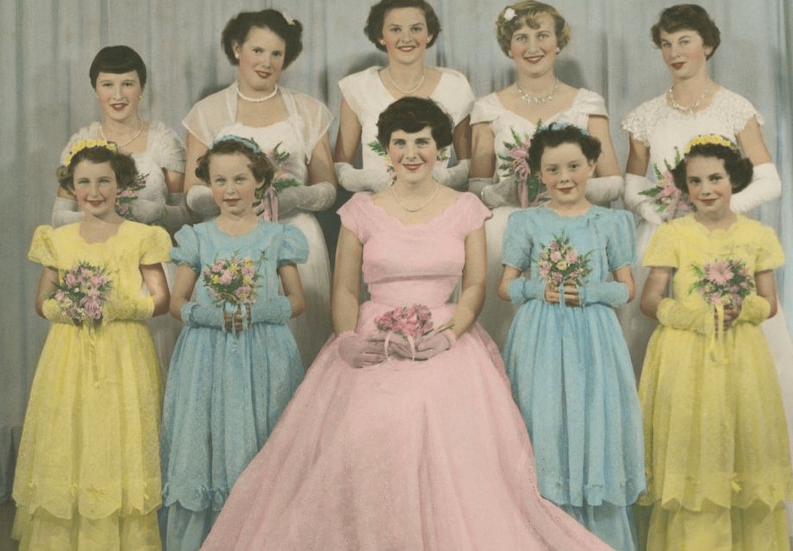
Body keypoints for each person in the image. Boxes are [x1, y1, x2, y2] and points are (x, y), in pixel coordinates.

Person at [199, 97, 614, 550]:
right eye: (400, 142)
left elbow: (475, 285)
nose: (412, 152)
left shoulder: (466, 207)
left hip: (446, 335)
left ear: (441, 150)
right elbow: (343, 290)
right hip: (372, 333)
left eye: (423, 142)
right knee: (364, 429)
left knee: (437, 423)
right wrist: (347, 341)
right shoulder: (359, 209)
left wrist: (451, 334)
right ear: (385, 149)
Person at [620, 4, 793, 550]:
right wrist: (664, 207)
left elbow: (769, 180)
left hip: (727, 245)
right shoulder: (647, 114)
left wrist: (713, 200)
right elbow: (629, 184)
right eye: (667, 43)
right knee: (670, 379)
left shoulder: (735, 106)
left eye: (686, 41)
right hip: (671, 239)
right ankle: (678, 511)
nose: (675, 53)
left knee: (740, 381)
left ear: (708, 46)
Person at [13, 141, 171, 550]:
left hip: (124, 351)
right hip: (69, 355)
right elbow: (41, 302)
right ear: (72, 187)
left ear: (122, 186)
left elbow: (161, 300)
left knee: (120, 432)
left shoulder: (141, 236)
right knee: (72, 429)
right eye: (84, 182)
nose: (95, 191)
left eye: (105, 181)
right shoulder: (58, 239)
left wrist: (117, 306)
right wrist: (73, 308)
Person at [637, 136, 793, 549]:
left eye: (715, 178)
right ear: (684, 187)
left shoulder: (759, 235)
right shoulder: (673, 234)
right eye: (695, 181)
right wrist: (692, 317)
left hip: (741, 355)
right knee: (697, 442)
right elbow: (650, 300)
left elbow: (769, 303)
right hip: (687, 354)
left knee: (742, 440)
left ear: (734, 179)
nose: (706, 190)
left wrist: (744, 310)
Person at [498, 124, 644, 550]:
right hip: (540, 335)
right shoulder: (526, 221)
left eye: (574, 166)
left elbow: (626, 288)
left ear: (592, 166)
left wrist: (591, 292)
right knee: (544, 420)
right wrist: (538, 289)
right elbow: (506, 285)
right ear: (538, 173)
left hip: (594, 338)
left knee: (593, 418)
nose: (564, 177)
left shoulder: (611, 221)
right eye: (553, 169)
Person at [160, 136, 308, 551]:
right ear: (208, 183)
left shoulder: (278, 237)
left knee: (261, 435)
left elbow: (297, 301)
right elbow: (176, 301)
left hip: (263, 351)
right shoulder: (198, 236)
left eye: (240, 179)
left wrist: (254, 313)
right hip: (206, 353)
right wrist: (209, 316)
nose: (229, 190)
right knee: (204, 437)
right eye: (220, 180)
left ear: (260, 181)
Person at [183, 9, 334, 366]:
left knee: (297, 341)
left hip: (295, 236)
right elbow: (191, 192)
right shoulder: (207, 112)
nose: (266, 62)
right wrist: (232, 200)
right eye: (257, 50)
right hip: (228, 238)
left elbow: (328, 186)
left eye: (276, 54)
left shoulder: (310, 112)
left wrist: (298, 196)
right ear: (237, 49)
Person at [469, 0, 623, 349]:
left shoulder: (586, 103)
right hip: (508, 227)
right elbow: (476, 188)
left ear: (558, 42)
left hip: (575, 225)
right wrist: (511, 189)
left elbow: (614, 182)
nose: (533, 47)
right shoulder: (487, 108)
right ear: (509, 47)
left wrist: (560, 190)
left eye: (542, 35)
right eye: (522, 37)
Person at [52, 45, 186, 376]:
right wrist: (108, 220)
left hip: (151, 265)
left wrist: (150, 213)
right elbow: (59, 216)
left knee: (151, 362)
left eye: (127, 84)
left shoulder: (162, 140)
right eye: (107, 85)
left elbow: (186, 214)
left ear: (142, 88)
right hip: (96, 266)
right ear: (95, 89)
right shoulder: (81, 141)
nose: (118, 95)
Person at [333, 0, 475, 193]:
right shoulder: (358, 87)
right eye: (395, 30)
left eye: (416, 29)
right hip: (376, 203)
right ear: (381, 36)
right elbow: (341, 168)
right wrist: (375, 181)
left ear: (430, 34)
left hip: (436, 201)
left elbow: (470, 164)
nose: (406, 38)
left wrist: (441, 177)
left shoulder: (455, 86)